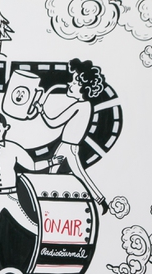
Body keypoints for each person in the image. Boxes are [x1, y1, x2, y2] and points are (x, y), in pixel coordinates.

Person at [0, 112, 61, 272]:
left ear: (5, 127)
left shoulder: (13, 148)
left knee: (30, 225)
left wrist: (51, 161)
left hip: (10, 195)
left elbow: (32, 166)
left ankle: (51, 249)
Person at [37, 58, 109, 214]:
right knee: (60, 174)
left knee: (65, 174)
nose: (70, 84)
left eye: (75, 82)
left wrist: (41, 111)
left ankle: (50, 205)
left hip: (68, 147)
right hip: (68, 146)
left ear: (84, 87)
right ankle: (99, 201)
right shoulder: (87, 106)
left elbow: (53, 122)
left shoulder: (80, 106)